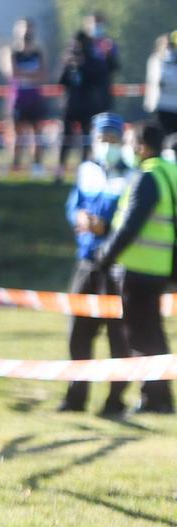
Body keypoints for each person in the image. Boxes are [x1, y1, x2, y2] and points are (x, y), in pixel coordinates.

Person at [90, 119, 177, 416]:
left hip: (137, 268)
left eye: (129, 143)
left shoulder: (147, 176)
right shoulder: (171, 172)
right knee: (154, 331)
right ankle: (162, 397)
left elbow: (130, 225)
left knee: (139, 335)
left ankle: (153, 397)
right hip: (160, 266)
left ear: (141, 147)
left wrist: (105, 255)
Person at [62, 113, 133, 416]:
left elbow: (131, 220)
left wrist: (106, 229)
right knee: (77, 333)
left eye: (113, 139)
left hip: (116, 266)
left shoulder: (132, 176)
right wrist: (78, 217)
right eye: (102, 138)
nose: (107, 145)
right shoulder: (86, 170)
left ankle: (115, 399)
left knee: (119, 336)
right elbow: (74, 205)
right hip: (86, 262)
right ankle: (76, 397)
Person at [57, 32, 109, 174]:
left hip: (87, 106)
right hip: (70, 106)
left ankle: (84, 168)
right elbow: (60, 81)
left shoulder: (93, 61)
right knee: (66, 139)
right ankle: (60, 169)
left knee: (87, 139)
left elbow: (98, 80)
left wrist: (83, 66)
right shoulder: (68, 61)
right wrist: (67, 65)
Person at [2, 19, 49, 175]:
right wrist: (31, 74)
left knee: (37, 135)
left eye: (29, 29)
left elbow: (43, 75)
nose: (26, 33)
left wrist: (25, 74)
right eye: (24, 29)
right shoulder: (10, 52)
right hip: (18, 99)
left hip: (35, 98)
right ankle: (15, 167)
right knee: (17, 136)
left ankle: (37, 167)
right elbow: (12, 73)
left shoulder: (38, 52)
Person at [144, 34, 177, 138]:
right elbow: (160, 80)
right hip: (161, 106)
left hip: (175, 105)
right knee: (162, 135)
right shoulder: (156, 60)